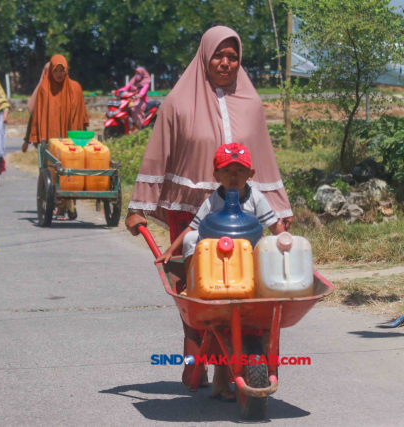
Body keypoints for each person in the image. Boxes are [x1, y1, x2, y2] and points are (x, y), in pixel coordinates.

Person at [124, 26, 293, 401]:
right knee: (198, 291)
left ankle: (230, 367)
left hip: (245, 214)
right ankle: (194, 364)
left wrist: (278, 209)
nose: (226, 62)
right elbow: (156, 155)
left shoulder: (251, 103)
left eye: (233, 56)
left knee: (241, 290)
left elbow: (263, 158)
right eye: (219, 55)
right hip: (191, 213)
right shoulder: (177, 103)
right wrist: (137, 207)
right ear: (205, 55)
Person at [156, 143, 285, 266]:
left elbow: (273, 227)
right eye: (226, 171)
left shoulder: (256, 198)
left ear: (250, 174)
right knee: (191, 238)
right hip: (218, 252)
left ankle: (260, 280)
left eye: (240, 170)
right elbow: (192, 228)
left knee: (266, 244)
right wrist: (170, 251)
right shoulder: (213, 201)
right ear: (217, 176)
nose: (233, 176)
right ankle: (191, 282)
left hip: (249, 249)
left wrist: (290, 243)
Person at [26, 54, 89, 219]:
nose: (59, 74)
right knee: (55, 171)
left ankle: (66, 205)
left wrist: (80, 135)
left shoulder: (75, 88)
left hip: (71, 138)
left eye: (62, 70)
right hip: (52, 140)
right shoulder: (44, 89)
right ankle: (62, 206)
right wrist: (36, 136)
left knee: (71, 170)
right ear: (50, 72)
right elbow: (37, 115)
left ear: (67, 70)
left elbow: (81, 113)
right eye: (56, 71)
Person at [23, 62, 50, 149]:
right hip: (43, 139)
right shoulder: (41, 92)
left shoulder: (67, 92)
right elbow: (33, 116)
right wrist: (27, 140)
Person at [117, 67, 151, 132]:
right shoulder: (133, 80)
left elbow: (143, 90)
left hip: (141, 100)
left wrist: (139, 95)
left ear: (142, 74)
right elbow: (126, 87)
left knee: (133, 108)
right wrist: (117, 91)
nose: (136, 75)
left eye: (138, 73)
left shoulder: (145, 81)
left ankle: (139, 126)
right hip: (131, 99)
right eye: (136, 73)